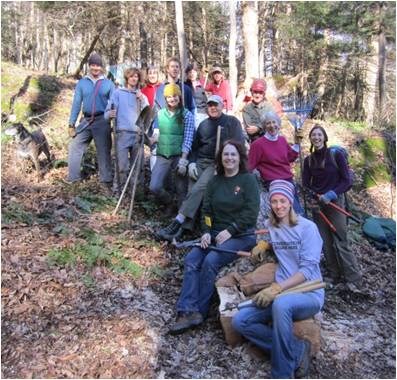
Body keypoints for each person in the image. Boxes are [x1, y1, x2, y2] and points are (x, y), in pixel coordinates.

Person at [232, 180, 324, 379]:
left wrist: (277, 288)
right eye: (274, 201)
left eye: (283, 201)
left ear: (290, 202)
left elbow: (308, 270)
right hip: (280, 292)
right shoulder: (272, 226)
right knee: (240, 321)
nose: (279, 205)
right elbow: (278, 242)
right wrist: (264, 246)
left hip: (308, 293)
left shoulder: (308, 228)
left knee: (281, 304)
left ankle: (282, 374)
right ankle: (298, 350)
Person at [169, 140, 259, 334]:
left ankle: (199, 312)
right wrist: (206, 232)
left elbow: (251, 213)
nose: (229, 158)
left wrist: (231, 230)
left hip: (241, 235)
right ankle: (186, 309)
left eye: (233, 154)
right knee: (192, 259)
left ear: (239, 157)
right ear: (220, 158)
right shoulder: (214, 182)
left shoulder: (248, 180)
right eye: (226, 154)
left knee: (211, 260)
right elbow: (207, 212)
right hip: (215, 234)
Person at [156, 95, 245, 242]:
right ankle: (184, 230)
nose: (213, 108)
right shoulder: (203, 125)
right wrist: (191, 163)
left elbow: (238, 146)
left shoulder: (231, 122)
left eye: (216, 105)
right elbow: (195, 148)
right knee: (192, 191)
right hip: (200, 162)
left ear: (222, 106)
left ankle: (177, 221)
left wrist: (224, 163)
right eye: (210, 105)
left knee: (199, 188)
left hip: (218, 163)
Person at [302, 125, 362, 291]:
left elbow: (347, 181)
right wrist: (315, 197)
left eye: (319, 134)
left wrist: (331, 194)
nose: (317, 137)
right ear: (311, 139)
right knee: (325, 241)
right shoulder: (308, 161)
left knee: (341, 239)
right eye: (313, 135)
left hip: (335, 203)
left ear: (325, 137)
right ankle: (334, 274)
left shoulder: (336, 155)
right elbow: (306, 184)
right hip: (319, 206)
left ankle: (353, 277)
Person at [67, 53, 115, 192]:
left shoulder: (108, 83)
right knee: (75, 145)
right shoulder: (82, 83)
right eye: (93, 65)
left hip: (102, 120)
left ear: (102, 67)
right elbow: (76, 103)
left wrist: (112, 117)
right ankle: (73, 180)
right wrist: (71, 123)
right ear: (89, 66)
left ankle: (106, 182)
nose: (96, 68)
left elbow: (114, 103)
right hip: (86, 120)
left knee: (104, 151)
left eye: (98, 65)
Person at [248, 111, 304, 230]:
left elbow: (290, 158)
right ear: (264, 126)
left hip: (288, 181)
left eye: (274, 122)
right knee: (292, 213)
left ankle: (299, 238)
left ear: (278, 124)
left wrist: (297, 144)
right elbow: (249, 166)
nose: (272, 125)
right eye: (268, 123)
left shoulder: (282, 140)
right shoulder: (258, 144)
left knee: (296, 214)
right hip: (273, 183)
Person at [149, 84, 195, 212]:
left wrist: (183, 160)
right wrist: (150, 140)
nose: (172, 99)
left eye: (174, 96)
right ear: (165, 98)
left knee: (181, 189)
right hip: (162, 154)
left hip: (179, 156)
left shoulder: (186, 115)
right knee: (155, 187)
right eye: (169, 97)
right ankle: (169, 201)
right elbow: (154, 133)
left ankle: (180, 217)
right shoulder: (160, 114)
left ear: (179, 97)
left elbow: (188, 138)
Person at [104, 67, 149, 194]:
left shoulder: (141, 96)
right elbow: (106, 113)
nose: (134, 78)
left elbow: (147, 115)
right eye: (131, 76)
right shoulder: (118, 93)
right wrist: (110, 114)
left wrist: (143, 100)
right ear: (127, 78)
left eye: (136, 76)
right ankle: (118, 192)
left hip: (137, 135)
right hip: (122, 134)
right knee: (122, 166)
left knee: (137, 167)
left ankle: (134, 194)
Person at [185, 62, 208, 129]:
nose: (192, 74)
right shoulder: (184, 86)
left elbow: (205, 101)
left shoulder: (201, 86)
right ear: (187, 74)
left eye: (194, 72)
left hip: (201, 113)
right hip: (189, 113)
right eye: (190, 72)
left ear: (196, 73)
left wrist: (206, 113)